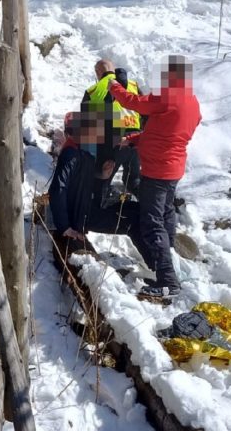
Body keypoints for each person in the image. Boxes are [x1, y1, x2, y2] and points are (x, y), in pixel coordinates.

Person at [108, 56, 201, 301]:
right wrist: (135, 140)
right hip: (173, 169)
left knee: (151, 222)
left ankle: (167, 280)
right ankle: (170, 261)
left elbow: (132, 102)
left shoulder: (168, 97)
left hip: (157, 171)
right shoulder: (191, 102)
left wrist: (113, 85)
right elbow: (167, 132)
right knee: (166, 212)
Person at [48, 105, 141, 248]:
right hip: (82, 216)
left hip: (88, 208)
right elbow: (57, 189)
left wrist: (101, 175)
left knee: (137, 211)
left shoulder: (83, 151)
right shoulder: (70, 154)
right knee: (133, 222)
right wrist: (65, 226)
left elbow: (81, 178)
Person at [83, 57, 141, 194]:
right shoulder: (133, 85)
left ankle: (100, 203)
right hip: (136, 139)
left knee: (102, 180)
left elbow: (88, 128)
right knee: (134, 180)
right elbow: (144, 111)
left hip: (114, 141)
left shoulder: (94, 90)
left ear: (98, 73)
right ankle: (148, 204)